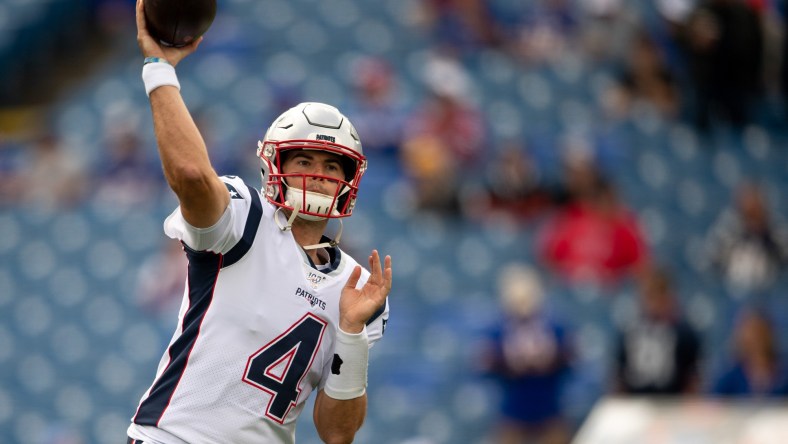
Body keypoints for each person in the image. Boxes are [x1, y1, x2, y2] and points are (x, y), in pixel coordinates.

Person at [127, 2, 392, 443]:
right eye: (304, 159)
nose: (318, 175)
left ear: (349, 180)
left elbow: (336, 433)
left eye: (331, 167)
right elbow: (192, 176)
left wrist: (350, 334)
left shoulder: (358, 287)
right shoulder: (244, 217)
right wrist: (159, 69)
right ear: (275, 166)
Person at [478, 263, 573, 444]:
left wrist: (546, 363)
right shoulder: (499, 329)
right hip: (514, 411)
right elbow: (484, 364)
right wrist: (510, 366)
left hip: (549, 409)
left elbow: (571, 358)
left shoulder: (553, 326)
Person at [613, 266, 701, 395]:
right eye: (649, 296)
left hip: (672, 404)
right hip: (635, 403)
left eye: (659, 295)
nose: (654, 303)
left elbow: (692, 378)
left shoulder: (684, 333)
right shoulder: (629, 332)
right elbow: (619, 376)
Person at [711, 308, 788, 398]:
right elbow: (713, 403)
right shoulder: (731, 378)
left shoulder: (783, 375)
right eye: (751, 335)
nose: (756, 341)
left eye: (759, 334)